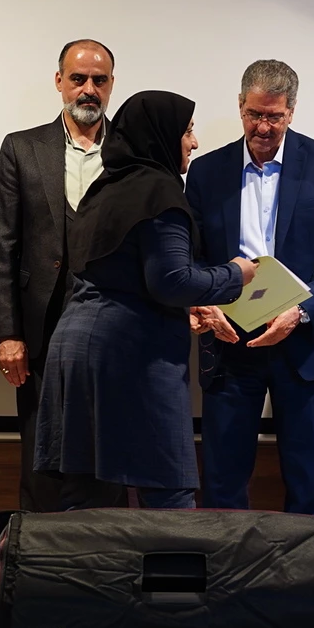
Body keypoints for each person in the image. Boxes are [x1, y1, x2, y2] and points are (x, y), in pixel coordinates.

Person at [35, 90, 256, 510]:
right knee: (168, 494)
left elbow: (124, 275)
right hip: (129, 354)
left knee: (87, 498)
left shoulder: (105, 188)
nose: (194, 142)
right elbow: (171, 281)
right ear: (161, 135)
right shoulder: (159, 191)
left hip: (77, 348)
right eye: (187, 131)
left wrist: (186, 306)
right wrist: (235, 274)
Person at [186, 60, 314, 516]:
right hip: (229, 342)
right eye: (254, 114)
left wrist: (299, 312)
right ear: (240, 106)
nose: (263, 127)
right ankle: (226, 563)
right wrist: (205, 305)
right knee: (222, 479)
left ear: (292, 111)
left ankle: (305, 565)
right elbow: (191, 255)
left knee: (307, 480)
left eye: (275, 117)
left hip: (304, 342)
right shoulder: (206, 171)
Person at [0, 39, 127, 513]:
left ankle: (106, 555)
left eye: (99, 81)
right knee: (40, 457)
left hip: (114, 329)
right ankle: (36, 555)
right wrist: (8, 333)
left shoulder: (133, 151)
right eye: (78, 79)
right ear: (59, 81)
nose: (89, 89)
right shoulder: (22, 148)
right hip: (41, 330)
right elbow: (2, 245)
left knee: (108, 457)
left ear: (111, 85)